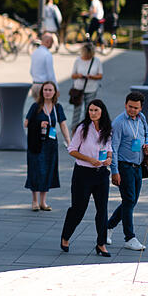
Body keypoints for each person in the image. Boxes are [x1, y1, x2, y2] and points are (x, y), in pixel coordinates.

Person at [60, 99, 113, 256]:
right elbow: (72, 149)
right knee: (78, 208)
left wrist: (109, 158)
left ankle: (101, 243)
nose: (93, 113)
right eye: (90, 110)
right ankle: (66, 236)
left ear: (102, 112)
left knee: (102, 210)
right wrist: (90, 159)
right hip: (83, 174)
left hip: (101, 173)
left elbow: (109, 147)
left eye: (96, 110)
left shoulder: (107, 128)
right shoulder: (82, 128)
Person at [107, 92, 148, 251]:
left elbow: (147, 134)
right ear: (125, 104)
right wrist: (115, 171)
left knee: (131, 201)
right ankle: (129, 237)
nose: (132, 110)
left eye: (136, 108)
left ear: (141, 108)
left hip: (138, 165)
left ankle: (108, 227)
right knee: (129, 199)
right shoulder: (119, 123)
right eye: (130, 107)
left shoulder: (142, 118)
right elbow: (113, 148)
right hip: (124, 166)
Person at [24, 81, 69, 211]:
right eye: (45, 90)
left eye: (50, 90)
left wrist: (68, 141)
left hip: (50, 144)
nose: (47, 92)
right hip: (36, 143)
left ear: (55, 92)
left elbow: (63, 124)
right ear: (41, 92)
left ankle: (43, 202)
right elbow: (26, 123)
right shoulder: (36, 106)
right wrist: (39, 124)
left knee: (47, 171)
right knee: (35, 170)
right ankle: (34, 201)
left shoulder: (57, 107)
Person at [69, 43, 103, 131]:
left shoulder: (97, 61)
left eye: (89, 55)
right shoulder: (78, 60)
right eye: (86, 55)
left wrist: (91, 77)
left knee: (89, 111)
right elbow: (73, 75)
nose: (87, 57)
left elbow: (100, 75)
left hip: (91, 89)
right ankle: (74, 130)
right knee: (76, 111)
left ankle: (87, 130)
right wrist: (79, 75)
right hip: (78, 89)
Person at [30, 33, 57, 99]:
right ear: (48, 42)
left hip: (35, 84)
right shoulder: (47, 54)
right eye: (52, 42)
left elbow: (31, 71)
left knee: (37, 104)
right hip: (44, 86)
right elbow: (51, 74)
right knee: (46, 105)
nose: (52, 44)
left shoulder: (35, 52)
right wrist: (56, 88)